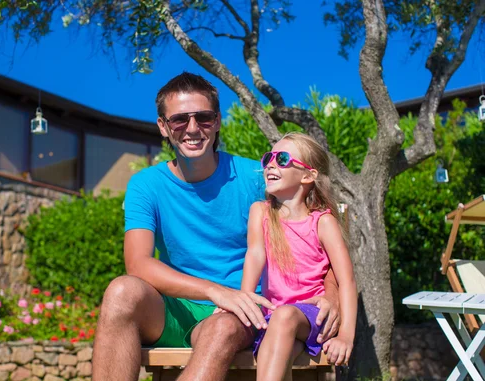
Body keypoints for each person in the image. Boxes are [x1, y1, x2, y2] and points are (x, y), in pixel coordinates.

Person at [92, 72, 341, 381]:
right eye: (179, 120)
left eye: (204, 118)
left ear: (218, 121)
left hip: (242, 311)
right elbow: (138, 264)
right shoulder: (146, 184)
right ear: (163, 127)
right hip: (176, 310)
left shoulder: (256, 177)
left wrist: (332, 294)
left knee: (221, 326)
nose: (193, 129)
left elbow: (319, 235)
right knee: (121, 292)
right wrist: (215, 292)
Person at [240, 132, 357, 381]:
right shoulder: (260, 212)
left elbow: (347, 280)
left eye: (282, 158)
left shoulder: (323, 222)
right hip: (276, 316)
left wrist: (346, 335)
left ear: (307, 175)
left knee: (284, 319)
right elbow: (255, 254)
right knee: (280, 352)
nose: (271, 163)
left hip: (314, 316)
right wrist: (246, 298)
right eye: (268, 158)